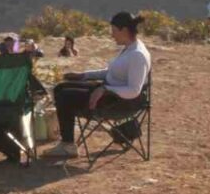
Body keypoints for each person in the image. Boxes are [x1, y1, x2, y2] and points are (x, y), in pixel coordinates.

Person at [45, 12, 151, 159]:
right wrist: (84, 75)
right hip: (110, 94)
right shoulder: (129, 48)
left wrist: (105, 89)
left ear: (124, 30)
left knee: (65, 96)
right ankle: (67, 141)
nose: (112, 35)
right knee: (60, 88)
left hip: (119, 102)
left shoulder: (137, 55)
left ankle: (68, 145)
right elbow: (111, 73)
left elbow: (134, 90)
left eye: (114, 31)